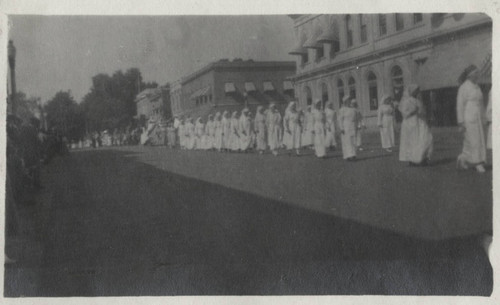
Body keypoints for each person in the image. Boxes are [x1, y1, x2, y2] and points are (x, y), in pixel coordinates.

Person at [456, 65, 487, 172]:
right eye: (476, 73)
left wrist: (484, 117)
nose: (478, 75)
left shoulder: (477, 87)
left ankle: (463, 158)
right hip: (469, 117)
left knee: (473, 140)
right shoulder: (463, 87)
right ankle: (477, 163)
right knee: (474, 140)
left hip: (478, 116)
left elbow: (481, 103)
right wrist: (461, 122)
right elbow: (460, 105)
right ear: (470, 75)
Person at [399, 84, 433, 166]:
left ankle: (421, 157)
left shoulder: (417, 100)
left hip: (419, 121)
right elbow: (404, 113)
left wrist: (423, 115)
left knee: (425, 138)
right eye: (416, 91)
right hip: (409, 122)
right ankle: (413, 159)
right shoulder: (406, 101)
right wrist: (413, 111)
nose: (417, 93)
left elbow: (422, 111)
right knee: (413, 141)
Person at [338, 95, 358, 161]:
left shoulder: (353, 109)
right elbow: (340, 119)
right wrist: (341, 128)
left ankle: (353, 154)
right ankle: (349, 155)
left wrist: (357, 126)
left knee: (353, 140)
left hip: (353, 125)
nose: (350, 101)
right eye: (348, 100)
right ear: (345, 101)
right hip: (346, 125)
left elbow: (356, 118)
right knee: (347, 141)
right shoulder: (342, 110)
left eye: (350, 100)